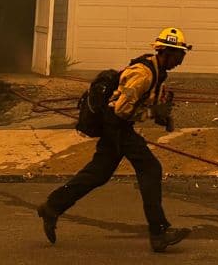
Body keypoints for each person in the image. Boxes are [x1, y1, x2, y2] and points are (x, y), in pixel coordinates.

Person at [37, 27, 193, 253]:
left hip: (118, 126)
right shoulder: (144, 74)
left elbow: (138, 105)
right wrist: (150, 114)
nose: (180, 61)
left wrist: (161, 116)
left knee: (97, 174)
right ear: (165, 52)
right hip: (116, 125)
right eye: (178, 55)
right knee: (150, 169)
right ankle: (159, 233)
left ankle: (52, 207)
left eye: (182, 55)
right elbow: (120, 110)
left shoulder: (157, 72)